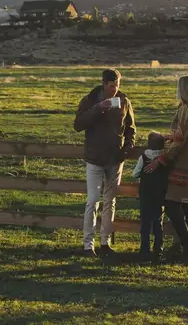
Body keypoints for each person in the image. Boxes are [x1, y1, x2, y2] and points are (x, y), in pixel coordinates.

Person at [74, 69, 136, 257]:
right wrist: (97, 109)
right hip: (94, 159)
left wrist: (125, 151)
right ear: (103, 84)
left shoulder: (124, 101)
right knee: (93, 201)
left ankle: (105, 243)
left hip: (115, 160)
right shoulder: (90, 100)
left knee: (110, 201)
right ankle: (87, 245)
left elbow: (131, 129)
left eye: (117, 85)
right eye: (111, 86)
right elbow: (78, 125)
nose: (115, 89)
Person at [144, 75, 188, 263]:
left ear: (184, 90)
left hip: (182, 165)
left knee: (171, 204)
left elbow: (180, 142)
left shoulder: (187, 111)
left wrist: (160, 160)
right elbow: (183, 137)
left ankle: (187, 247)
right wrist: (170, 137)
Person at [132, 131, 168, 262]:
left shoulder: (144, 157)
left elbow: (135, 173)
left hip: (145, 193)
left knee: (145, 222)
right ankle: (158, 249)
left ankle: (144, 250)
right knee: (158, 221)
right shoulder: (164, 159)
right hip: (160, 193)